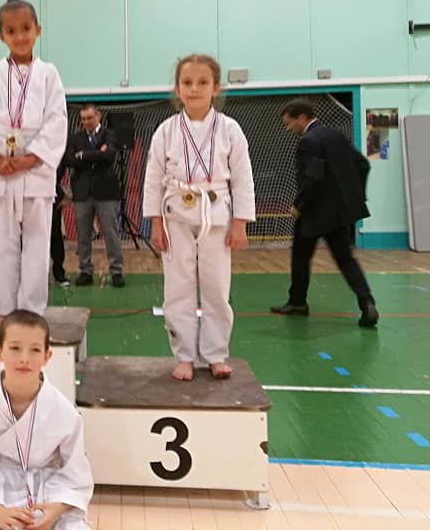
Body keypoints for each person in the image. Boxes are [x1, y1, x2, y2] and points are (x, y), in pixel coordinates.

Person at [143, 54, 255, 381]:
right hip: (175, 214)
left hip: (216, 215)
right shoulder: (166, 131)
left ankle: (216, 354)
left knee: (216, 287)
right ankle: (184, 356)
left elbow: (243, 178)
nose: (194, 89)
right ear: (177, 89)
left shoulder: (230, 130)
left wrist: (240, 223)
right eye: (187, 83)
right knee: (178, 287)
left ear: (215, 88)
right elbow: (153, 178)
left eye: (202, 82)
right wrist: (155, 222)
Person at [0, 0, 68, 318]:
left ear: (38, 30)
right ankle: (6, 310)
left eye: (26, 28)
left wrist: (31, 158)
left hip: (35, 173)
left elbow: (57, 119)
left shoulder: (49, 74)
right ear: (2, 36)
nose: (20, 36)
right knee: (3, 246)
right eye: (11, 31)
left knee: (37, 245)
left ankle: (33, 311)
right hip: (1, 172)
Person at [0, 310, 93, 530]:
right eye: (15, 348)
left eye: (35, 350)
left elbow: (75, 471)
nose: (24, 358)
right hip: (1, 491)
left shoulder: (63, 410)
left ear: (47, 356)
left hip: (50, 492)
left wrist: (57, 508)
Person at [271, 98, 379, 327]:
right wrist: (353, 197)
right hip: (339, 214)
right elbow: (363, 165)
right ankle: (367, 302)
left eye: (288, 123)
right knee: (346, 260)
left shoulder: (308, 141)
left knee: (300, 257)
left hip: (314, 212)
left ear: (302, 118)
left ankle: (298, 303)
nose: (287, 129)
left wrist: (299, 205)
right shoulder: (336, 135)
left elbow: (314, 178)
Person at [65, 104, 125, 288]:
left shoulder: (110, 135)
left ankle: (116, 270)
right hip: (82, 193)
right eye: (83, 119)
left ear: (98, 116)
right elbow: (69, 160)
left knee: (110, 232)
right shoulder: (75, 137)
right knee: (83, 234)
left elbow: (109, 156)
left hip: (106, 191)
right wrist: (97, 154)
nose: (86, 122)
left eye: (89, 118)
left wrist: (83, 155)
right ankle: (85, 270)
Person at [50, 156, 69, 287]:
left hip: (52, 195)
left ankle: (59, 273)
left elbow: (59, 171)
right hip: (29, 195)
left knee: (55, 235)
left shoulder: (57, 151)